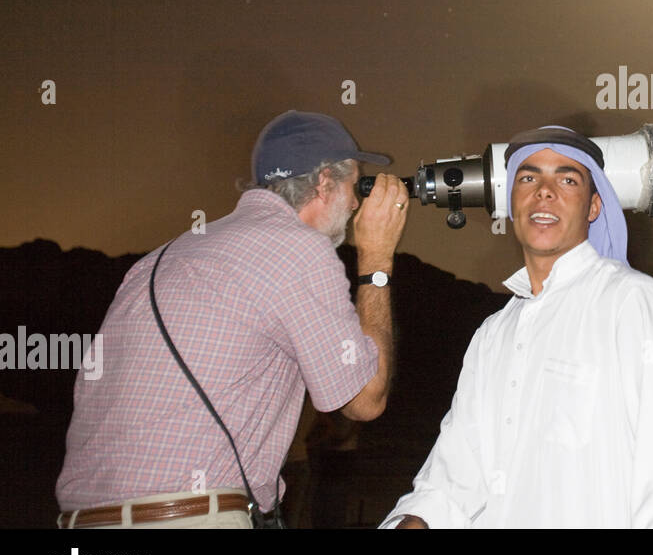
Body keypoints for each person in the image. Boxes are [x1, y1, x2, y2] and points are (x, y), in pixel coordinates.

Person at [55, 110, 409, 528]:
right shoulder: (298, 249)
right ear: (324, 181)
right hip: (186, 518)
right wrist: (377, 257)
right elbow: (364, 399)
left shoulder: (162, 257)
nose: (356, 204)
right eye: (356, 185)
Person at [381, 125, 653, 528]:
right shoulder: (493, 334)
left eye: (567, 178)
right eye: (528, 177)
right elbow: (454, 477)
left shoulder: (631, 303)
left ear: (594, 207)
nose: (544, 190)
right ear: (512, 201)